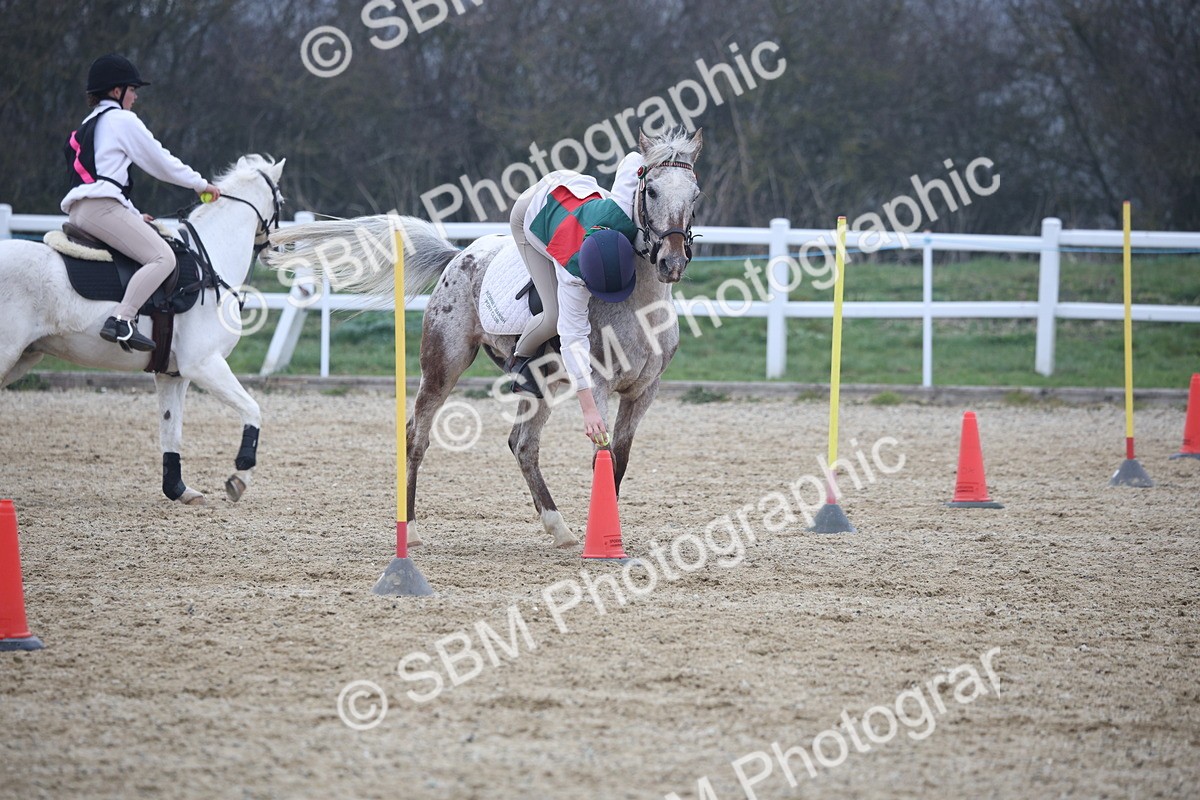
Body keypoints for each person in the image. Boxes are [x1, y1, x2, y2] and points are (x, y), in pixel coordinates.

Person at [61, 53, 221, 352]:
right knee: (163, 258)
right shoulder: (122, 120)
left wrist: (134, 214)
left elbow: (102, 178)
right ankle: (122, 319)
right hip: (101, 209)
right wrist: (201, 184)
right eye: (132, 89)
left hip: (81, 211)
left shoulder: (87, 124)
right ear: (116, 91)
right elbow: (161, 161)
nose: (135, 97)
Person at [507, 152, 642, 444]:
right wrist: (589, 408)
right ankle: (520, 360)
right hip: (530, 211)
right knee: (553, 317)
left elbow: (633, 159)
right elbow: (572, 337)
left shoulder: (622, 212)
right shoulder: (572, 274)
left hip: (573, 186)